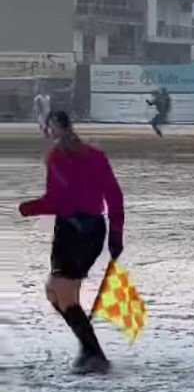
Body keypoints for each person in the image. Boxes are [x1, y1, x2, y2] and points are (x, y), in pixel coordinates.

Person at [17, 111, 124, 374]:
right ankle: (89, 351)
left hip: (73, 232)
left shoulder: (57, 157)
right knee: (62, 294)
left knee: (58, 293)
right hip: (93, 231)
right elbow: (114, 195)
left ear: (52, 128)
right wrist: (115, 235)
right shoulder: (94, 155)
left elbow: (58, 200)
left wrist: (25, 208)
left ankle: (94, 354)